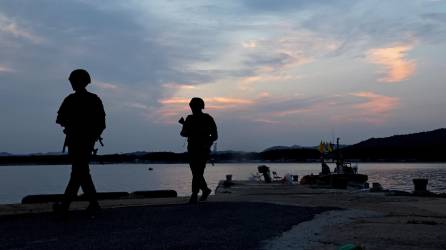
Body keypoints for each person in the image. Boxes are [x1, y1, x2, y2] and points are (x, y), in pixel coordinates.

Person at [53, 69, 106, 215]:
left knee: (78, 172)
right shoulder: (93, 99)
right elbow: (101, 124)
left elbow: (60, 119)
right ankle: (92, 203)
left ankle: (65, 206)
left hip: (79, 141)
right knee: (81, 172)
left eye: (73, 81)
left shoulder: (72, 100)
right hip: (82, 141)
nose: (71, 84)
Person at [180, 97, 218, 204]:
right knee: (196, 172)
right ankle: (204, 190)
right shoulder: (190, 118)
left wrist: (207, 143)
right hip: (192, 149)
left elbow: (215, 136)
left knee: (198, 172)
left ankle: (194, 194)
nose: (192, 108)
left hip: (203, 149)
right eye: (191, 106)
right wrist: (185, 126)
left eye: (194, 106)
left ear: (200, 107)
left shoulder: (207, 118)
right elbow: (183, 133)